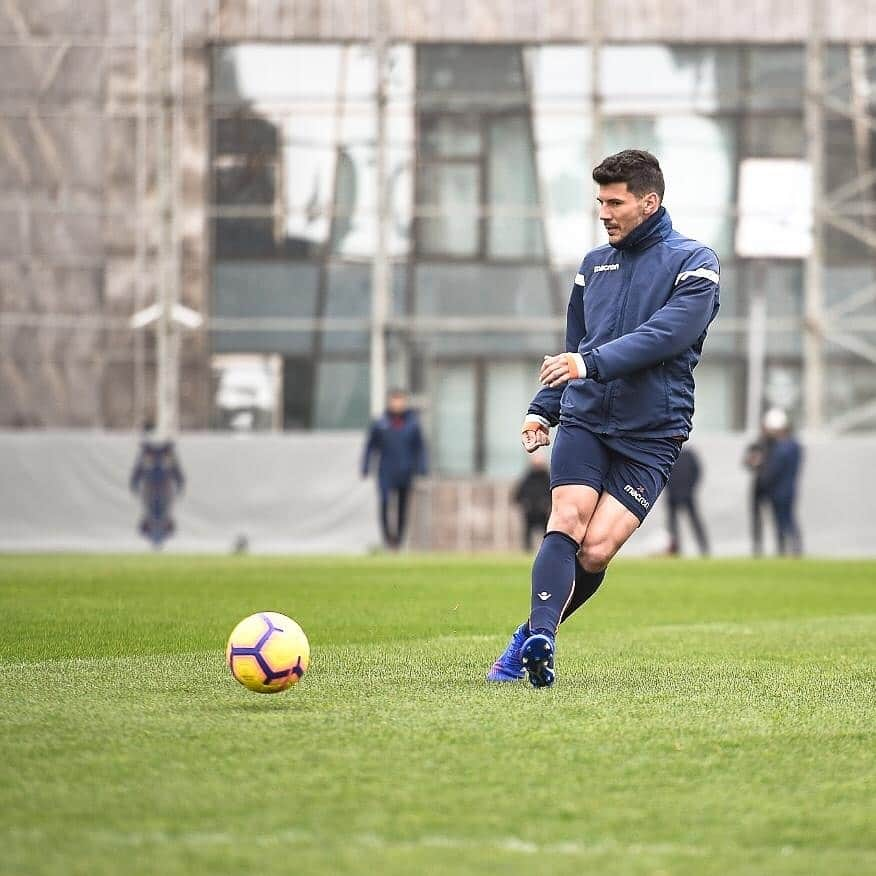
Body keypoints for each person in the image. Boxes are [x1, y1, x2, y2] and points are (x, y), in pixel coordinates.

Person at [486, 149, 720, 687]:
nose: (603, 212)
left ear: (649, 201)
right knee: (566, 518)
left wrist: (587, 364)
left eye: (615, 202)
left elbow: (668, 336)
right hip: (586, 418)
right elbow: (576, 344)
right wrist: (542, 409)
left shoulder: (696, 262)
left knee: (596, 549)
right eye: (600, 201)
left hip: (652, 433)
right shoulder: (593, 265)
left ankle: (527, 634)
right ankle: (541, 642)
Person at [361, 389, 428, 549]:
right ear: (390, 402)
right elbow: (371, 446)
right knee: (384, 503)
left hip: (405, 471)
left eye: (400, 400)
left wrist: (422, 467)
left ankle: (398, 541)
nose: (397, 404)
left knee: (402, 507)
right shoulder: (381, 423)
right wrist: (366, 465)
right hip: (386, 471)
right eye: (394, 400)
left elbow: (420, 447)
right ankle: (387, 538)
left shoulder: (412, 424)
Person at [130, 424, 185, 549]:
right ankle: (152, 539)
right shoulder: (145, 453)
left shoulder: (169, 453)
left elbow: (176, 471)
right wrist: (135, 484)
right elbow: (138, 470)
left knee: (163, 514)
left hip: (164, 488)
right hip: (150, 488)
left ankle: (161, 539)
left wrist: (180, 484)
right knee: (151, 514)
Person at [759, 408, 803, 555]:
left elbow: (774, 469)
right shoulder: (794, 445)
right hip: (788, 489)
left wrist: (764, 481)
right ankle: (791, 548)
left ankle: (787, 549)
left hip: (779, 490)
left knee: (784, 520)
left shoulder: (783, 447)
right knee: (787, 519)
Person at [665, 445, 709, 556]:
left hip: (687, 494)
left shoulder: (689, 455)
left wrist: (691, 487)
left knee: (695, 522)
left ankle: (703, 547)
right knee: (672, 525)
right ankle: (675, 549)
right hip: (673, 495)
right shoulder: (669, 453)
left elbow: (697, 472)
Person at [512, 451, 552, 551]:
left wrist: (548, 505)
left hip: (544, 513)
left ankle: (546, 551)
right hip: (530, 513)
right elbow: (518, 494)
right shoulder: (527, 478)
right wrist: (525, 504)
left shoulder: (548, 478)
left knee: (547, 534)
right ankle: (527, 551)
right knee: (527, 535)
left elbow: (554, 494)